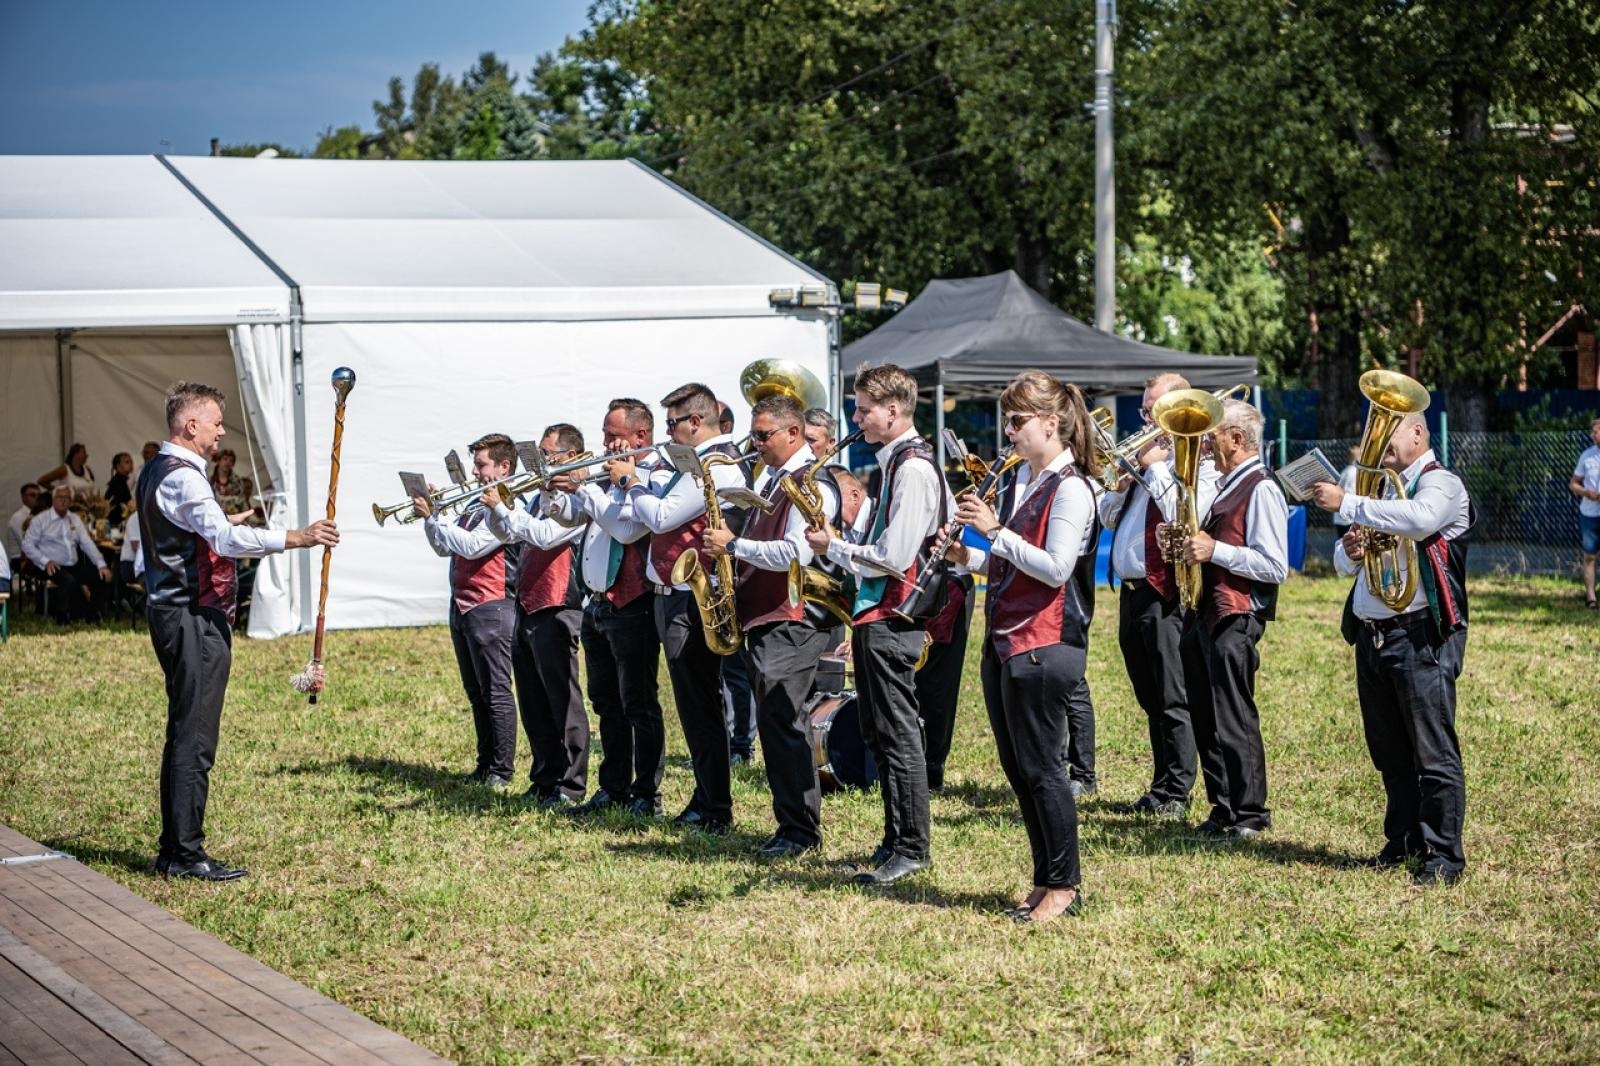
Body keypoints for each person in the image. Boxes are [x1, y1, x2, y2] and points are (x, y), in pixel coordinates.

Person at [141, 381, 337, 880]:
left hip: (174, 610)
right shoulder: (184, 477)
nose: (221, 431)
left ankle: (175, 848)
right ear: (191, 426)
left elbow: (198, 529)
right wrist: (299, 537)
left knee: (186, 729)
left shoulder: (160, 469)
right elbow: (225, 541)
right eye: (216, 422)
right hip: (191, 614)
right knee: (196, 735)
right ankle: (186, 855)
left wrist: (219, 522)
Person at [946, 370, 1100, 922]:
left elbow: (1057, 569)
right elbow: (1011, 561)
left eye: (1017, 421)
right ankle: (1045, 879)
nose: (1008, 433)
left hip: (1047, 641)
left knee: (1044, 768)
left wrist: (993, 532)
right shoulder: (1022, 482)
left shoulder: (1074, 487)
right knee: (1019, 768)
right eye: (1006, 421)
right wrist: (969, 557)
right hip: (1007, 637)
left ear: (1051, 424)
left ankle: (1064, 884)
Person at [1309, 411, 1473, 885]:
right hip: (1374, 633)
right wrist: (1353, 549)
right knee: (1388, 749)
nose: (1376, 442)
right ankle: (1402, 839)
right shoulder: (1381, 493)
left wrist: (1350, 503)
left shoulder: (1442, 485)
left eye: (1387, 431)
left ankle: (1443, 856)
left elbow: (1421, 522)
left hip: (1421, 634)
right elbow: (1342, 563)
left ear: (1418, 433)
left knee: (1432, 751)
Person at [806, 363, 944, 885]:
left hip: (895, 615)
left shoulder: (912, 468)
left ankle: (911, 847)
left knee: (898, 734)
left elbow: (894, 555)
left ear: (893, 410)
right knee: (880, 731)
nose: (857, 419)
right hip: (878, 614)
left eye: (864, 409)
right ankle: (894, 840)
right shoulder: (896, 463)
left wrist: (833, 547)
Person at [704, 393, 840, 856]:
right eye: (754, 434)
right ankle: (791, 825)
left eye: (763, 435)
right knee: (777, 721)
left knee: (784, 723)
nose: (755, 443)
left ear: (793, 434)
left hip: (791, 618)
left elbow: (796, 553)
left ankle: (800, 831)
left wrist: (734, 545)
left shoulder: (809, 481)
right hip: (768, 616)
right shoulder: (777, 478)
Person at [612, 383, 747, 834]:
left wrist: (630, 481)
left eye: (671, 424)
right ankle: (705, 797)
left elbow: (663, 517)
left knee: (700, 706)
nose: (667, 433)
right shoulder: (691, 462)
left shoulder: (713, 464)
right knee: (695, 707)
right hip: (672, 595)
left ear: (695, 422)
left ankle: (715, 808)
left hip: (692, 599)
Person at [1099, 373, 1220, 818]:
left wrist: (1155, 467)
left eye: (1154, 410)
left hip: (1167, 590)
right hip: (1132, 590)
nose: (1145, 417)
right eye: (1144, 409)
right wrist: (1120, 485)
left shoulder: (1196, 465)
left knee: (1173, 694)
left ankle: (1178, 788)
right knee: (1149, 693)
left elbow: (1186, 515)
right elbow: (1110, 519)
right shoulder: (1145, 466)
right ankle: (1162, 780)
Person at [546, 399, 665, 818]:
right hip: (596, 602)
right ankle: (612, 787)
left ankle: (647, 793)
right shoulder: (609, 478)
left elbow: (628, 528)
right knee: (606, 701)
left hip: (633, 602)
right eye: (605, 435)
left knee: (638, 702)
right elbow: (570, 520)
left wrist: (586, 488)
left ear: (640, 437)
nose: (606, 444)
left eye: (613, 436)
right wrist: (556, 493)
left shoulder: (650, 476)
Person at [1178, 398, 1287, 841]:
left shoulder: (1261, 488)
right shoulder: (1226, 485)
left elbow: (1274, 566)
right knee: (1205, 713)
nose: (1204, 444)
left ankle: (1250, 812)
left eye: (1212, 435)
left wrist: (1214, 550)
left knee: (1233, 714)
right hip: (1208, 612)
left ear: (1237, 439)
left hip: (1236, 614)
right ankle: (1222, 805)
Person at [484, 424, 589, 807]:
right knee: (532, 697)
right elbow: (510, 535)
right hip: (526, 600)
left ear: (572, 456)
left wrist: (502, 507)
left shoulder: (579, 499)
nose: (543, 462)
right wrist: (496, 510)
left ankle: (572, 784)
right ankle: (545, 775)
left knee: (563, 698)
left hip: (558, 603)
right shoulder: (539, 495)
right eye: (541, 455)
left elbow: (546, 535)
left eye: (549, 456)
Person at [413, 433, 522, 790]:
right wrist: (433, 520)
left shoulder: (509, 501)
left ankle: (502, 770)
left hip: (491, 602)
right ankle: (485, 762)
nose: (475, 473)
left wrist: (438, 517)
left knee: (496, 689)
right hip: (462, 603)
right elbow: (445, 548)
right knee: (475, 690)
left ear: (504, 467)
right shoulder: (474, 504)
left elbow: (475, 547)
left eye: (481, 465)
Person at [716, 399, 757, 763]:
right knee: (727, 669)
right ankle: (732, 737)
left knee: (737, 669)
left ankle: (742, 742)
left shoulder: (734, 465)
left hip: (739, 566)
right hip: (725, 571)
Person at [23, 485, 112, 622]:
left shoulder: (75, 519)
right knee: (68, 580)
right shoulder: (41, 520)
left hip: (73, 564)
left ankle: (91, 613)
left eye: (66, 498)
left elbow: (87, 544)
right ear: (53, 500)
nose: (63, 501)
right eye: (60, 497)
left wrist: (101, 565)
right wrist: (44, 561)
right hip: (48, 565)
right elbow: (27, 545)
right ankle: (61, 615)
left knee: (101, 576)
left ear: (71, 501)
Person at [1570, 418, 1600, 610]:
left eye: (1596, 431)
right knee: (1590, 555)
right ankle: (1591, 597)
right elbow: (1573, 483)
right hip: (1589, 513)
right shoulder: (1586, 457)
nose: (1593, 435)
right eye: (1592, 432)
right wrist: (1586, 493)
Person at [7, 482, 42, 574]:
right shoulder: (18, 518)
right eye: (32, 495)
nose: (37, 498)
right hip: (21, 560)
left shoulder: (41, 514)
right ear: (24, 498)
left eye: (39, 495)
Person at [105, 452, 135, 525]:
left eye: (131, 461)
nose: (131, 464)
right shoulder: (118, 483)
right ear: (118, 466)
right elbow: (116, 505)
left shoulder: (121, 481)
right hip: (116, 522)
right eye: (127, 462)